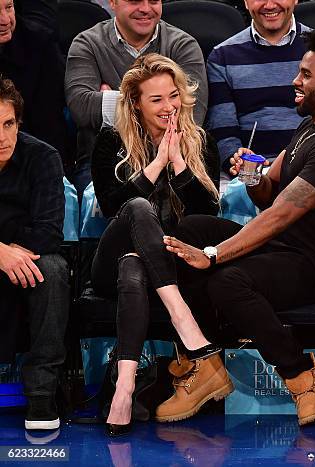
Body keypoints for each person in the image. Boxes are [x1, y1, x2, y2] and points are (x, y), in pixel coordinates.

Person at [158, 28, 315, 426]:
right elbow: (269, 193)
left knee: (225, 280)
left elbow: (280, 214)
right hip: (284, 248)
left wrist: (215, 255)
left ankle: (303, 380)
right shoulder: (310, 128)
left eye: (306, 75)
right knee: (192, 227)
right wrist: (254, 175)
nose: (296, 81)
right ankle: (204, 362)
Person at [90, 54, 221, 437]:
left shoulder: (201, 142)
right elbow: (112, 207)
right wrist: (155, 164)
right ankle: (181, 315)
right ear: (135, 103)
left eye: (173, 96)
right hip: (107, 262)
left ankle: (124, 389)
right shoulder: (110, 142)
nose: (169, 107)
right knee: (135, 207)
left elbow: (206, 216)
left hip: (165, 263)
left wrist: (179, 163)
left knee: (135, 267)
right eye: (156, 99)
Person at [65, 0, 208, 195]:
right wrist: (155, 110)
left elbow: (192, 114)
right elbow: (81, 107)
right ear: (112, 2)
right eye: (134, 1)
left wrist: (112, 99)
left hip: (175, 160)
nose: (145, 9)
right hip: (102, 163)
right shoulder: (87, 44)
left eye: (154, 1)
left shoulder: (183, 45)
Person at [0, 78, 69, 431]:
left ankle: (42, 395)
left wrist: (11, 252)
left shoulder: (42, 156)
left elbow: (48, 234)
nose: (2, 136)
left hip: (27, 261)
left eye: (8, 123)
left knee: (53, 269)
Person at [206, 0, 311, 175]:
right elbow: (223, 129)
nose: (269, 5)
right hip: (249, 173)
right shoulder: (222, 57)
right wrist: (236, 158)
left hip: (311, 170)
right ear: (246, 2)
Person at [0, 0, 68, 168]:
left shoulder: (39, 43)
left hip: (33, 161)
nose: (5, 20)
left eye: (9, 8)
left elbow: (49, 124)